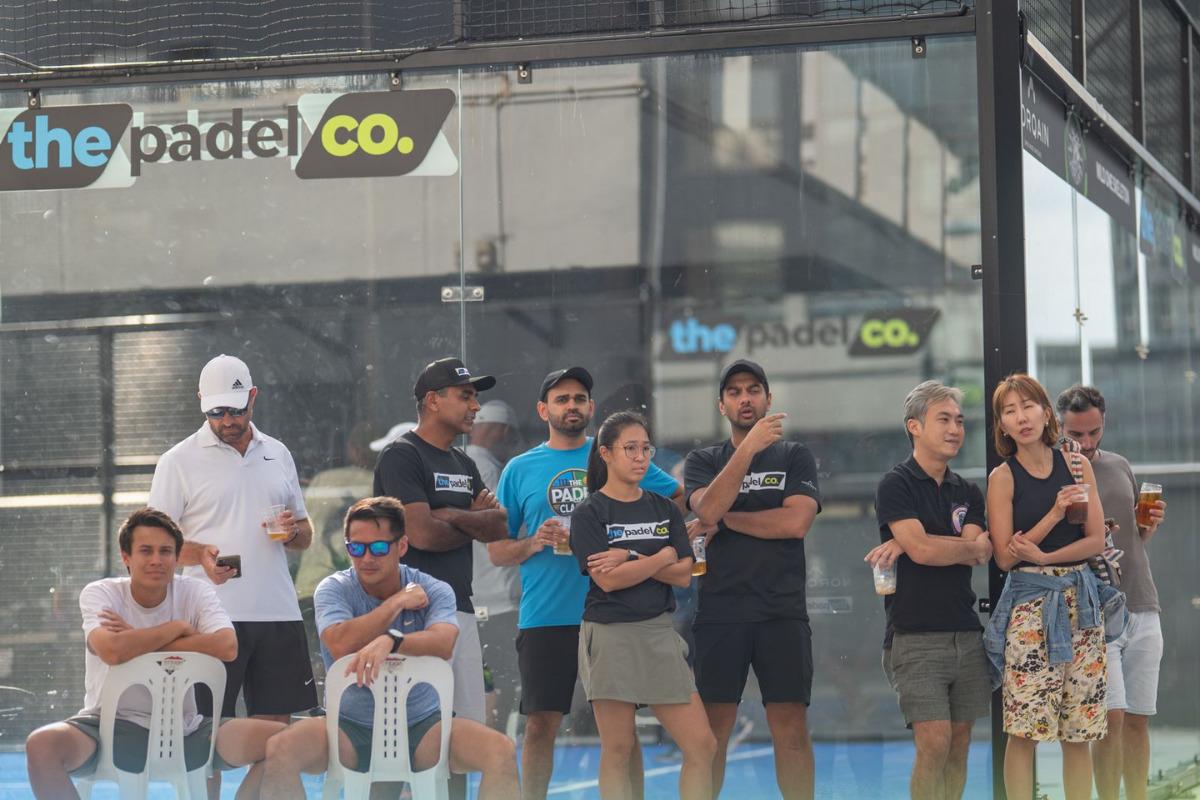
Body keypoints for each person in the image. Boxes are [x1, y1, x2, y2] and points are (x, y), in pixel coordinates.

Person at [489, 367, 681, 799]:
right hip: (546, 615)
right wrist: (535, 541)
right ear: (544, 410)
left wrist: (658, 545)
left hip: (615, 615)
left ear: (591, 408)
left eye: (579, 398)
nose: (571, 405)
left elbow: (678, 501)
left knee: (621, 731)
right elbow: (497, 551)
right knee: (540, 724)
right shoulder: (520, 469)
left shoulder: (617, 454)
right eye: (561, 399)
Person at [259, 496, 520, 799]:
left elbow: (445, 642)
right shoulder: (335, 588)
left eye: (379, 547)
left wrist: (392, 640)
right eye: (356, 548)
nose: (367, 558)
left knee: (500, 751)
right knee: (279, 749)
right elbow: (339, 642)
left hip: (421, 726)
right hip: (349, 727)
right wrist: (396, 603)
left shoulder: (433, 589)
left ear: (403, 546)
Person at [25, 508, 284, 800]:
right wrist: (177, 627)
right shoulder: (102, 593)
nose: (156, 560)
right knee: (41, 745)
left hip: (188, 729)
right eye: (145, 551)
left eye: (166, 552)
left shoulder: (195, 592)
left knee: (282, 740)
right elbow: (111, 650)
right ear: (126, 557)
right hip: (108, 727)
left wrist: (136, 641)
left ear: (176, 558)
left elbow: (227, 646)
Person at [147, 353, 316, 797]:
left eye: (235, 409)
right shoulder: (177, 461)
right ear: (201, 403)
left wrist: (292, 531)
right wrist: (198, 555)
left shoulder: (277, 453)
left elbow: (305, 533)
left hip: (278, 613)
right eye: (216, 411)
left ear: (253, 398)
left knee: (277, 735)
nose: (226, 420)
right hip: (210, 620)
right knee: (206, 734)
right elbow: (152, 547)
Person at [683, 359, 822, 800]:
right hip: (720, 611)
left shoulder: (795, 456)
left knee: (792, 730)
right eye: (735, 392)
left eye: (754, 390)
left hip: (781, 610)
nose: (746, 398)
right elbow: (706, 510)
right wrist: (747, 450)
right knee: (712, 734)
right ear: (721, 404)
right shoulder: (704, 460)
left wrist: (728, 519)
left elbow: (795, 522)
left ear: (768, 399)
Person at [984, 373, 1122, 800]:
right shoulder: (1002, 477)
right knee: (1023, 730)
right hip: (1031, 607)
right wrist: (1054, 514)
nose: (1021, 417)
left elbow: (1096, 540)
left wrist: (1044, 555)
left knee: (1079, 731)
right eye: (1009, 411)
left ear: (1046, 413)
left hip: (1082, 602)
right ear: (1002, 425)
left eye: (1028, 406)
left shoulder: (1076, 465)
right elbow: (1006, 556)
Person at [570, 411, 716, 800]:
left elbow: (684, 574)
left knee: (702, 745)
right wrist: (658, 555)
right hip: (609, 634)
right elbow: (608, 579)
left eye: (645, 448)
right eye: (630, 448)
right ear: (606, 453)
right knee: (618, 750)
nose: (640, 457)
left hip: (658, 632)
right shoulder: (590, 512)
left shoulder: (664, 508)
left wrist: (629, 554)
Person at [863, 381, 993, 800]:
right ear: (914, 427)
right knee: (934, 743)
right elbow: (943, 549)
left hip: (966, 633)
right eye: (944, 419)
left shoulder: (968, 491)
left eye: (959, 420)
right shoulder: (896, 484)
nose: (955, 428)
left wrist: (922, 543)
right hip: (914, 636)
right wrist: (919, 545)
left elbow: (979, 553)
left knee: (958, 749)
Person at [372, 357, 508, 734]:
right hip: (413, 613)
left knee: (466, 736)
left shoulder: (464, 462)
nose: (476, 406)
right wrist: (471, 521)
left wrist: (447, 513)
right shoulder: (402, 456)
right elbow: (422, 535)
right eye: (466, 396)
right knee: (409, 738)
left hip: (461, 609)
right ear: (433, 400)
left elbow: (499, 526)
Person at [1056, 385, 1167, 800]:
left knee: (1139, 719)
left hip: (1142, 602)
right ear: (1059, 426)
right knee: (1110, 718)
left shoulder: (1120, 464)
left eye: (1094, 432)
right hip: (1095, 613)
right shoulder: (1053, 472)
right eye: (1076, 434)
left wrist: (1147, 527)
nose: (1086, 443)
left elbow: (1132, 537)